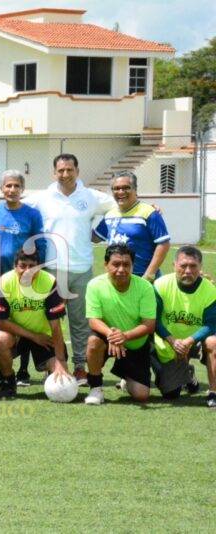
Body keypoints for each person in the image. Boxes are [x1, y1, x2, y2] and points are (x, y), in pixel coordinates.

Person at [23, 154, 116, 386]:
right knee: (48, 320)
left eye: (69, 170)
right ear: (54, 173)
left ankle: (80, 367)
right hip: (50, 270)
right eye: (60, 170)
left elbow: (119, 207)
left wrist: (99, 233)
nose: (65, 174)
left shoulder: (91, 197)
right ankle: (53, 363)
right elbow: (14, 204)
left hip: (81, 268)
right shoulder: (42, 198)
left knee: (80, 321)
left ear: (77, 170)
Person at [0, 170, 45, 387]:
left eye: (16, 186)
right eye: (8, 186)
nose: (12, 190)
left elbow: (41, 242)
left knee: (25, 316)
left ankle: (23, 371)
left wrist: (39, 270)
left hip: (25, 275)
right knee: (0, 322)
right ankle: (4, 368)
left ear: (22, 189)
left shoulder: (32, 214)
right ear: (1, 189)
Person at [0, 250, 69, 399]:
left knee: (62, 377)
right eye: (22, 266)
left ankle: (50, 371)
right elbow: (0, 322)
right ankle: (8, 380)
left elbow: (56, 326)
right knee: (1, 340)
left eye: (32, 266)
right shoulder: (4, 282)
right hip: (18, 335)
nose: (27, 271)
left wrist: (60, 361)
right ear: (15, 267)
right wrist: (34, 337)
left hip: (45, 337)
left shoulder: (49, 282)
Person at [84, 244, 156, 405]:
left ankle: (126, 376)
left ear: (132, 266)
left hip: (135, 343)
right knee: (93, 342)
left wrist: (125, 336)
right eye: (116, 264)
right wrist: (112, 335)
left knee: (141, 396)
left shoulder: (145, 287)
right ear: (106, 265)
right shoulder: (95, 285)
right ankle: (95, 389)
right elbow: (93, 320)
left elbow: (149, 325)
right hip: (108, 338)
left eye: (126, 264)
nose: (121, 269)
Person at [152, 246, 216, 406]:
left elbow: (211, 324)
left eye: (193, 266)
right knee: (171, 393)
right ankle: (189, 376)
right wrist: (173, 341)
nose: (188, 271)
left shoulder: (210, 291)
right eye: (183, 266)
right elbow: (153, 320)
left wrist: (188, 341)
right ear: (174, 265)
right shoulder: (160, 285)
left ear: (200, 267)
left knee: (214, 343)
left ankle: (213, 392)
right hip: (170, 342)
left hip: (197, 341)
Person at [93, 171, 170, 280]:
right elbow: (95, 238)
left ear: (135, 189)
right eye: (116, 188)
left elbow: (163, 244)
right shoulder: (110, 214)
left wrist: (149, 274)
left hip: (142, 276)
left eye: (126, 188)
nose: (121, 192)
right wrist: (86, 214)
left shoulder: (149, 212)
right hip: (117, 276)